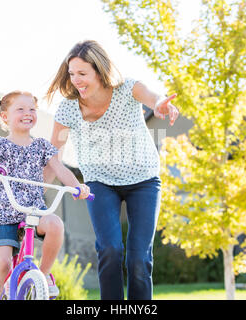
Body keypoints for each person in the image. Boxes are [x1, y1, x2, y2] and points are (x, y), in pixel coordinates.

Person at [44, 40, 179, 300]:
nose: (76, 81)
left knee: (139, 259)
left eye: (82, 74)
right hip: (99, 182)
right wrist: (36, 191)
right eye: (72, 74)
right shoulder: (68, 108)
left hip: (144, 181)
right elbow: (54, 157)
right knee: (110, 250)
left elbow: (152, 96)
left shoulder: (127, 89)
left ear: (99, 70)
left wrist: (160, 103)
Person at [0, 90, 90, 300]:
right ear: (4, 117)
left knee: (55, 225)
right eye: (20, 109)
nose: (27, 113)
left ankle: (44, 274)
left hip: (32, 208)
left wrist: (77, 187)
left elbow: (59, 169)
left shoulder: (41, 146)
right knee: (3, 263)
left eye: (32, 109)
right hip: (2, 212)